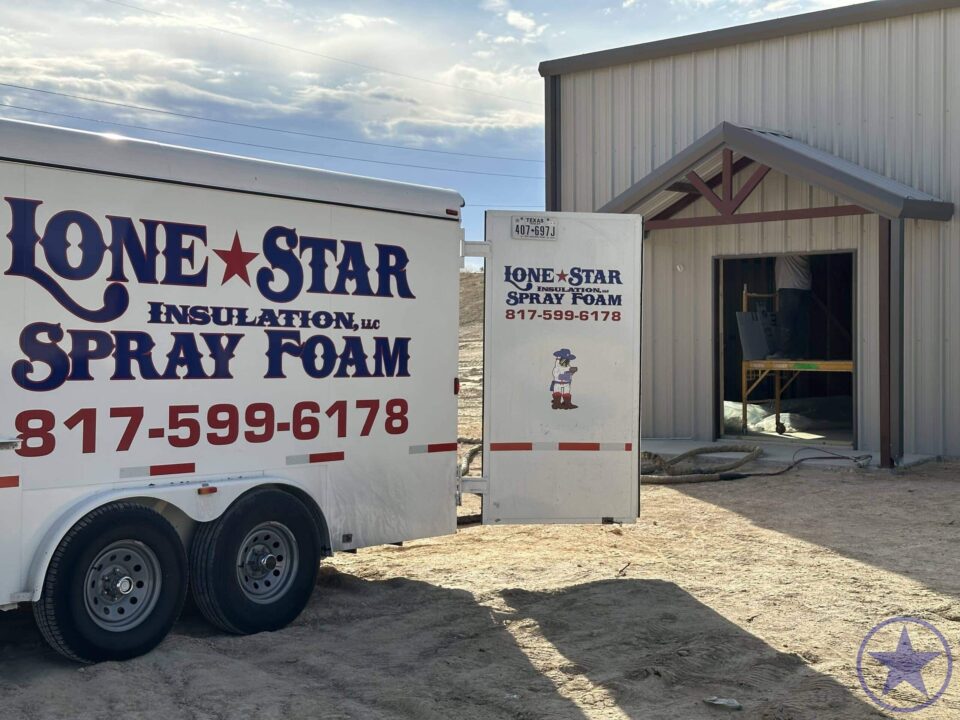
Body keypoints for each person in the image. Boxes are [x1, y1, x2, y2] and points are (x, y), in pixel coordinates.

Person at [772, 254, 811, 359]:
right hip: (805, 286)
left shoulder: (786, 244)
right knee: (800, 323)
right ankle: (799, 354)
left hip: (789, 284)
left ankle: (783, 352)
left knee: (785, 321)